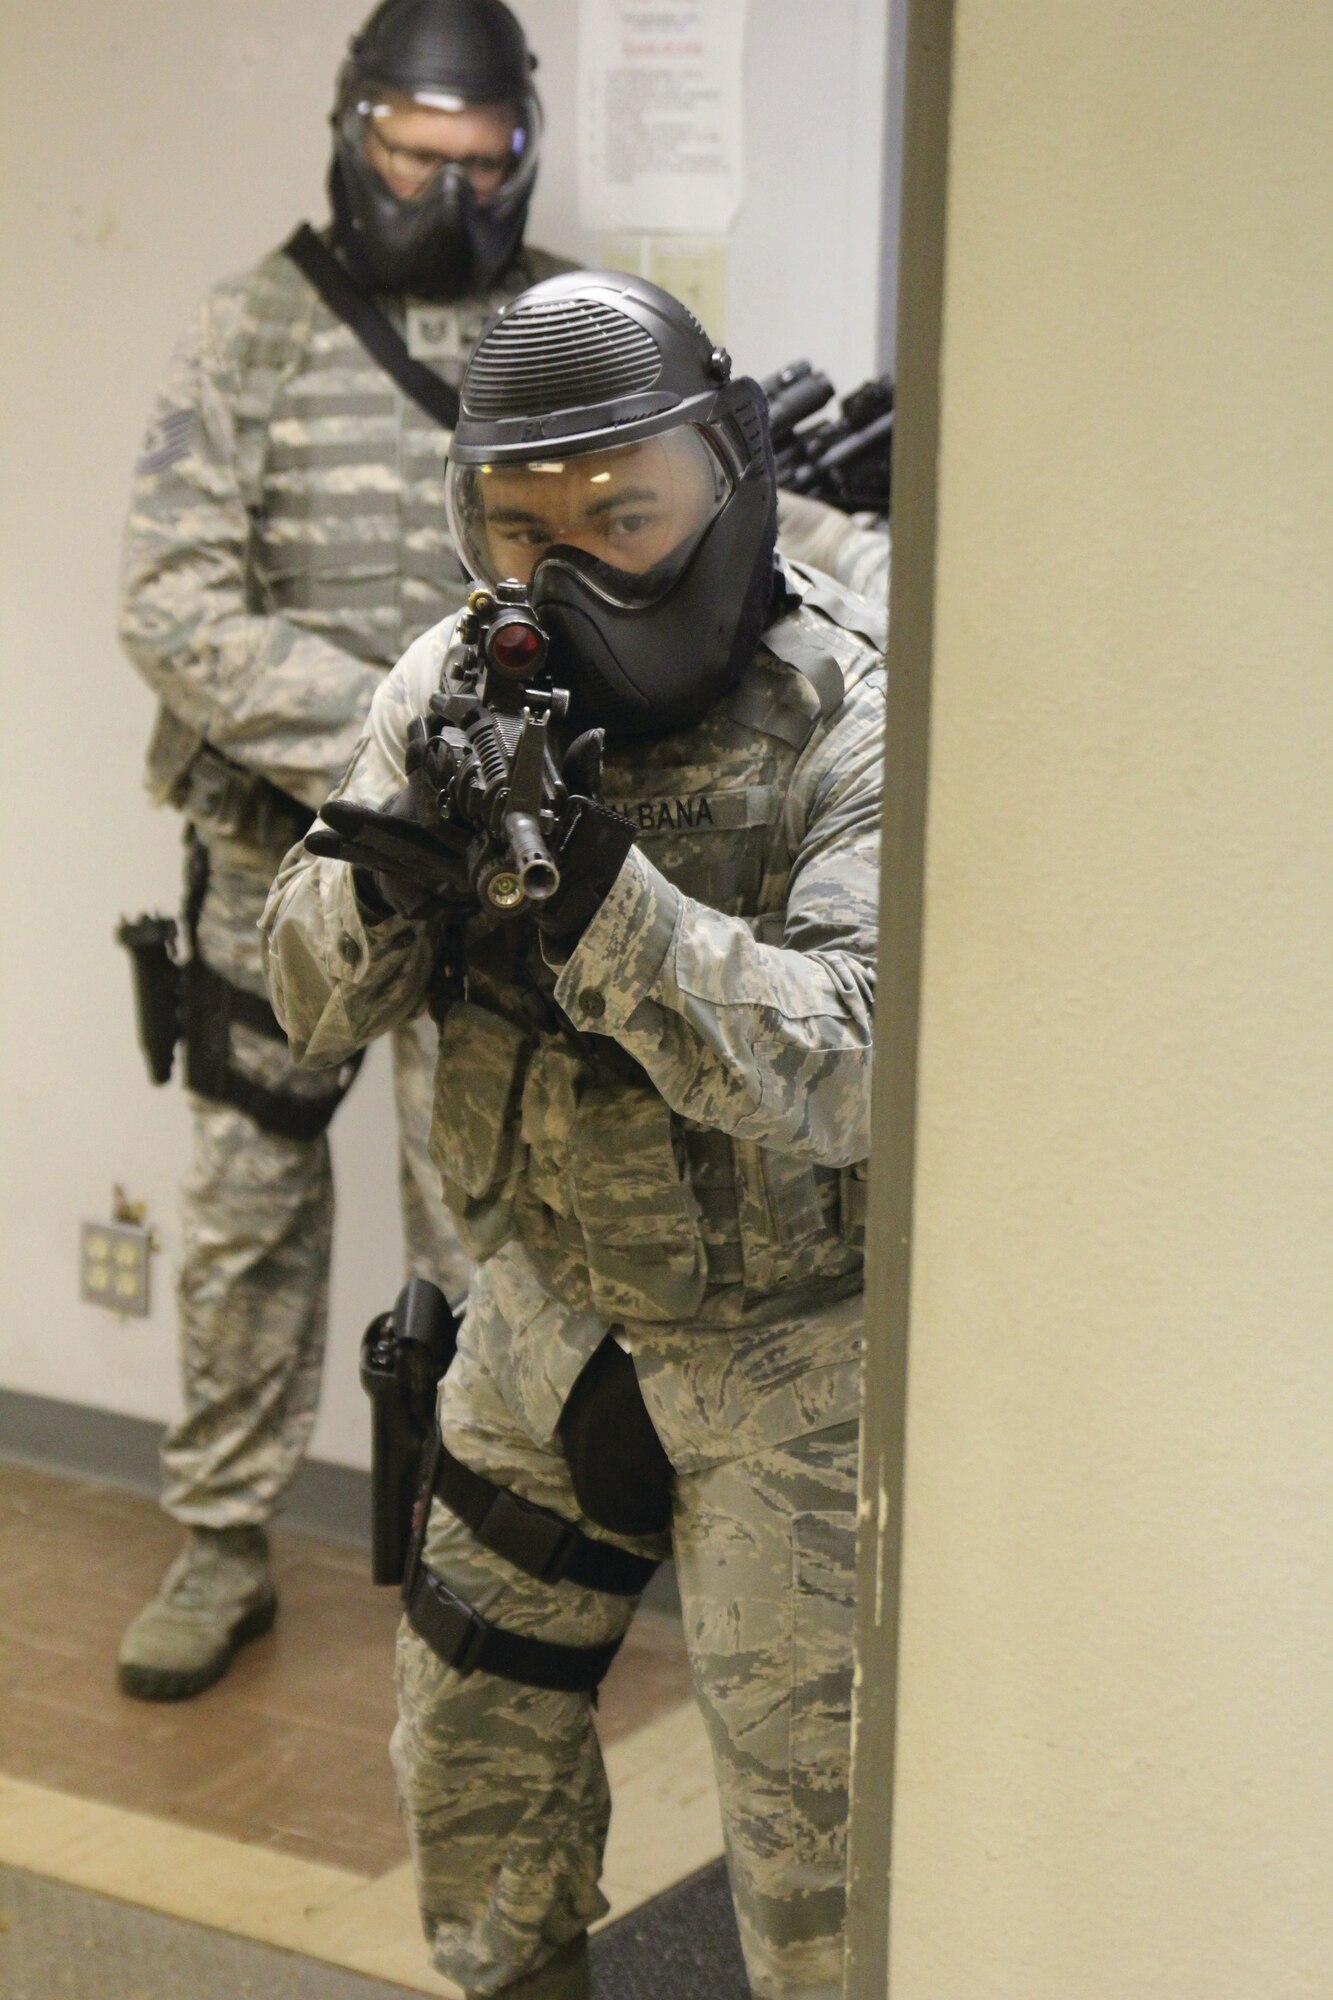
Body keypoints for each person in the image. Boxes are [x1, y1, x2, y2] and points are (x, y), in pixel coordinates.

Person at [263, 268, 883, 2000]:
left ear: (727, 477)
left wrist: (604, 897)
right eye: (519, 530)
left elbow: (849, 1071)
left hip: (791, 1362)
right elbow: (305, 999)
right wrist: (393, 871)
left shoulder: (852, 704)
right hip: (540, 1318)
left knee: (821, 1881)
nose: (568, 578)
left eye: (624, 517)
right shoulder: (450, 680)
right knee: (468, 1783)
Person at [116, 0, 573, 1702]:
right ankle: (222, 1541)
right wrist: (399, 739)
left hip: (498, 875)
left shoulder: (573, 335)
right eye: (410, 154)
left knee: (490, 1228)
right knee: (248, 1211)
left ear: (520, 150)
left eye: (479, 160)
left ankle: (485, 1558)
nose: (445, 192)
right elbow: (170, 602)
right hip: (281, 863)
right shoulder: (252, 329)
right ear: (352, 131)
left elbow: (646, 560)